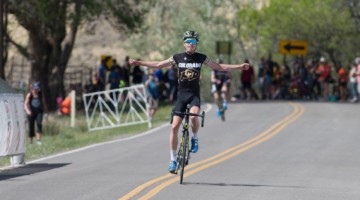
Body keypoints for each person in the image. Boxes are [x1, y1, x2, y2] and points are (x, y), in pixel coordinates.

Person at [129, 30, 249, 173]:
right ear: (184, 43)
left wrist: (239, 67)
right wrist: (139, 63)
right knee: (174, 127)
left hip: (194, 96)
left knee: (193, 116)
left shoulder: (201, 58)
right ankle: (173, 160)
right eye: (188, 41)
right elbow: (159, 64)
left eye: (193, 42)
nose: (190, 44)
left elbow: (219, 67)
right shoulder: (177, 58)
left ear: (197, 44)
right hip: (181, 95)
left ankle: (195, 138)